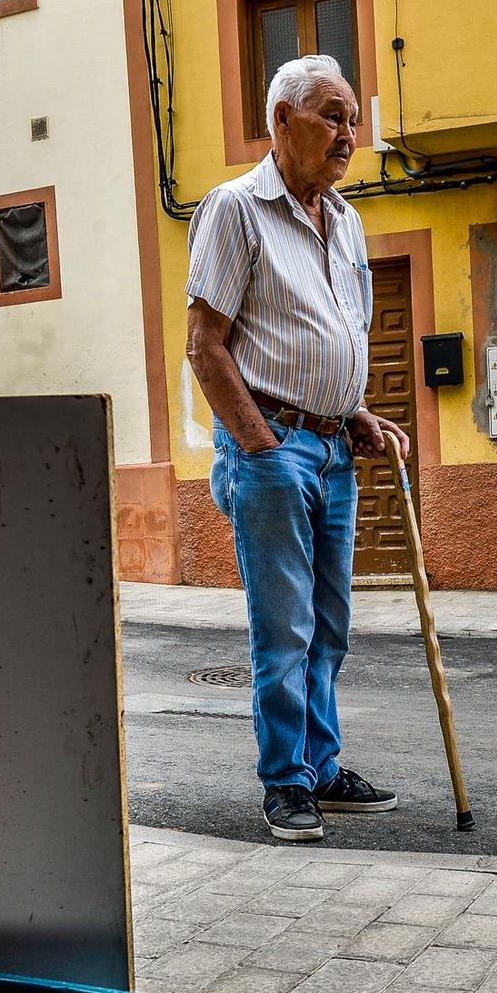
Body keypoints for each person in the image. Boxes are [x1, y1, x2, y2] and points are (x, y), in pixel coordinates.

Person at [184, 53, 412, 843]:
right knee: (283, 630)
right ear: (280, 120)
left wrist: (353, 412)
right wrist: (263, 446)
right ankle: (285, 781)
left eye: (352, 117)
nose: (348, 132)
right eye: (330, 115)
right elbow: (205, 346)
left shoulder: (345, 220)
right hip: (272, 447)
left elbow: (335, 336)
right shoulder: (234, 209)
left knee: (330, 623)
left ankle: (320, 765)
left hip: (332, 447)